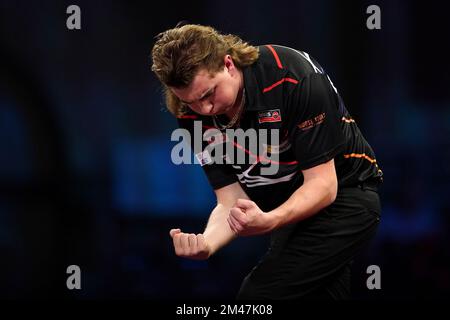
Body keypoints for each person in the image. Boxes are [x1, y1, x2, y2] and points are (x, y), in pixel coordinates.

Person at [151, 23, 383, 300]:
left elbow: (324, 185)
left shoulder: (291, 76)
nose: (204, 109)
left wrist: (270, 220)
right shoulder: (188, 114)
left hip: (347, 196)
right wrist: (206, 243)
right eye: (190, 102)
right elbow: (230, 201)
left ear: (228, 64)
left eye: (208, 94)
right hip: (292, 213)